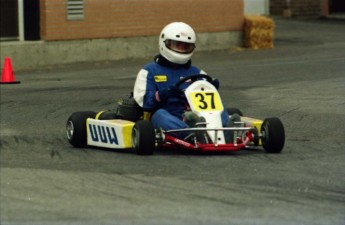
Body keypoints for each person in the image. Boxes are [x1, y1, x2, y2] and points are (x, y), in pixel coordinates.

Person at [133, 22, 229, 139]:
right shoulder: (149, 71)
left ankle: (226, 130)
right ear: (164, 43)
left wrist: (211, 87)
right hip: (167, 117)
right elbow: (145, 102)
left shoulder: (198, 72)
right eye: (177, 45)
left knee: (220, 107)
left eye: (186, 46)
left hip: (196, 117)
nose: (182, 49)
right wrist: (163, 93)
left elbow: (209, 104)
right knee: (159, 115)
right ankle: (191, 134)